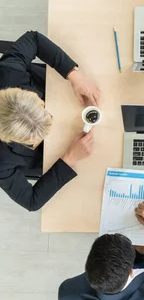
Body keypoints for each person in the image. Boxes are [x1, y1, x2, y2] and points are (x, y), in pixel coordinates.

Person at [0, 31, 98, 211]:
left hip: (60, 91)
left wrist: (73, 74)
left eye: (42, 108)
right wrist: (70, 158)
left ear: (24, 93)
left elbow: (34, 38)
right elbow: (31, 201)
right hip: (54, 151)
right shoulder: (2, 163)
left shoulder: (7, 71)